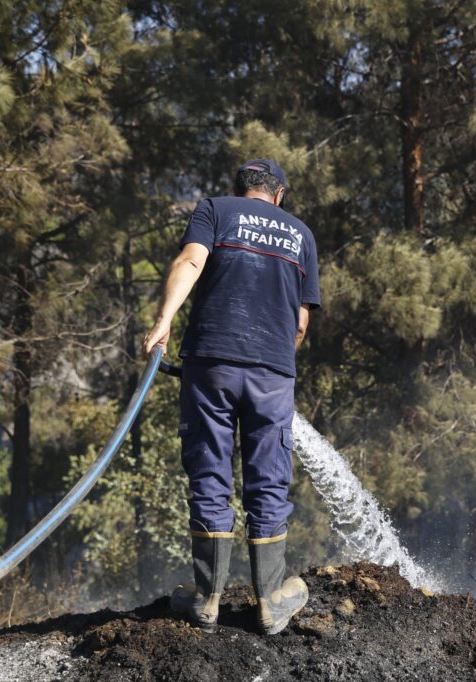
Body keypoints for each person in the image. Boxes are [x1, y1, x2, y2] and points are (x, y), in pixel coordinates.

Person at [142, 159, 321, 635]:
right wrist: (276, 365)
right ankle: (269, 603)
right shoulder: (300, 233)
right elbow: (301, 322)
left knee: (209, 472)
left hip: (211, 365)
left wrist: (164, 320)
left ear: (238, 190)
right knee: (268, 481)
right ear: (278, 195)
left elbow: (190, 261)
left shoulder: (215, 210)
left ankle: (207, 600)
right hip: (272, 373)